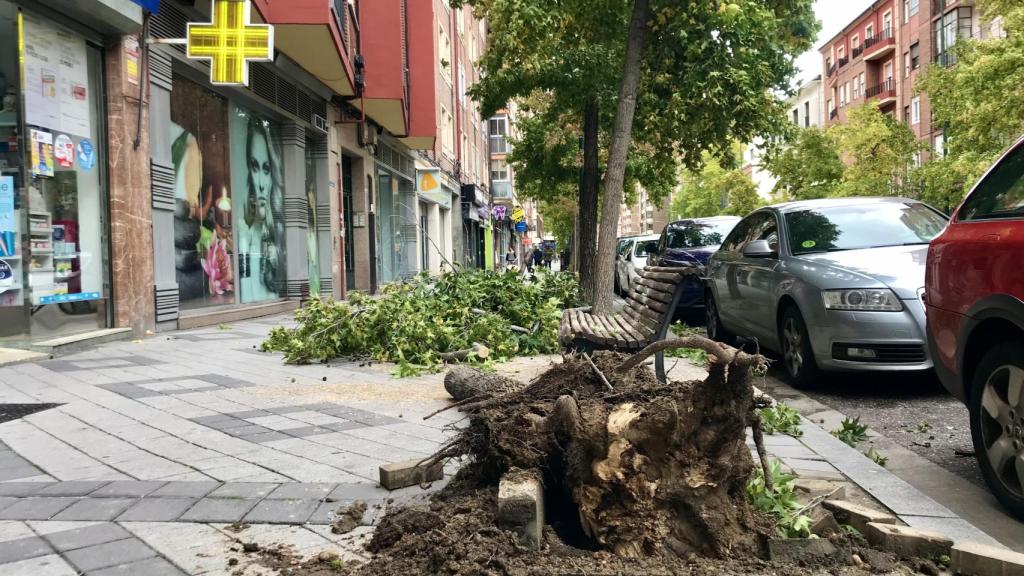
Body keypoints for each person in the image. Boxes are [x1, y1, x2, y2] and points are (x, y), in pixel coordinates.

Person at [239, 117, 285, 300]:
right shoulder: (244, 229)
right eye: (254, 167)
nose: (260, 184)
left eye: (266, 169)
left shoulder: (278, 231)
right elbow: (249, 299)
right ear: (249, 171)